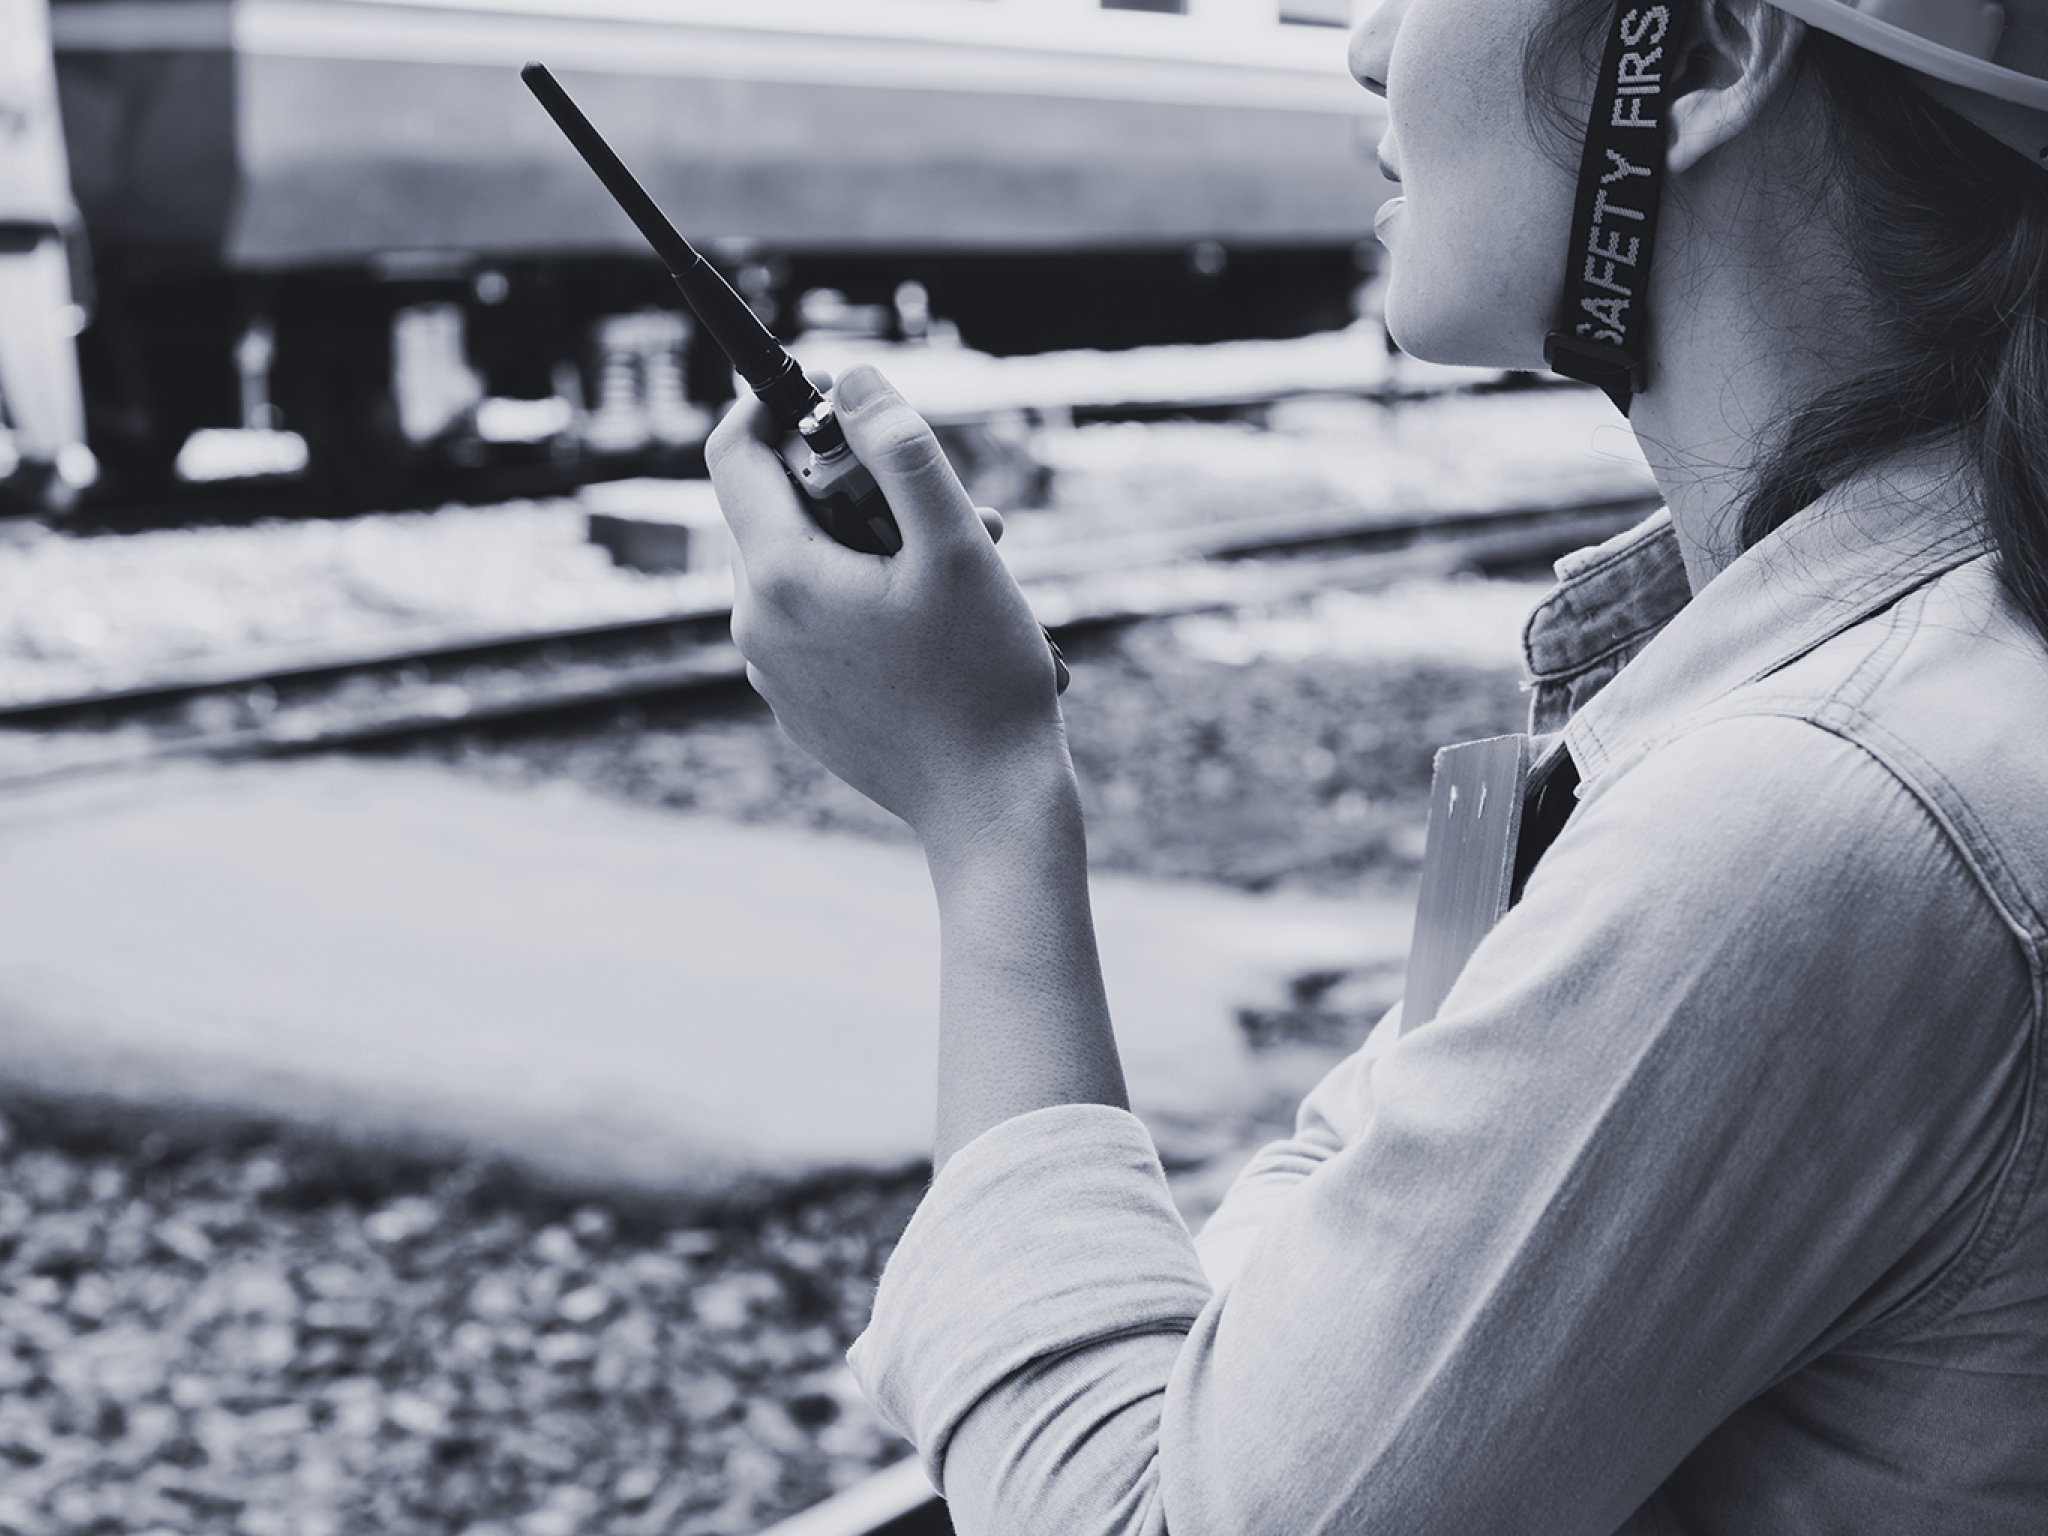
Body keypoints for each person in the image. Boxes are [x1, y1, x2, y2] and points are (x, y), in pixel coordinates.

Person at [705, 0, 2048, 1528]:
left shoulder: (1818, 817)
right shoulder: (1904, 669)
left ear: (1716, 51)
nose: (1362, 48)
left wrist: (986, 797)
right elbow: (1335, 1244)